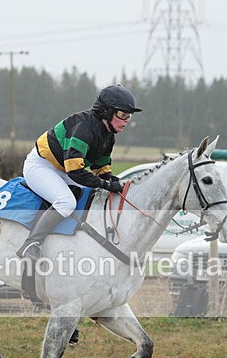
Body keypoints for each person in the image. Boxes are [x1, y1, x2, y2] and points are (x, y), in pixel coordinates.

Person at [16, 84, 142, 261]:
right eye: (122, 114)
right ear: (106, 111)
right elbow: (75, 171)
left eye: (129, 116)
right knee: (66, 202)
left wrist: (113, 181)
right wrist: (106, 184)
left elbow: (101, 169)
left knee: (95, 197)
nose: (126, 121)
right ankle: (31, 244)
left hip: (64, 169)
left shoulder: (108, 136)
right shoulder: (82, 128)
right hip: (41, 166)